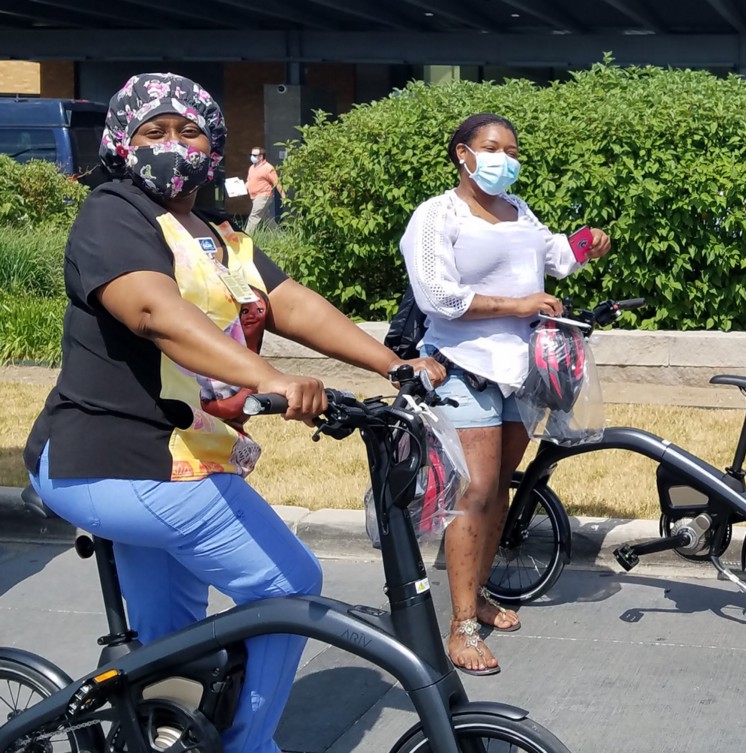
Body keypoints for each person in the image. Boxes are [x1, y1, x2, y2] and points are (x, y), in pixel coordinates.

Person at [22, 72, 445, 753]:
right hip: (116, 457)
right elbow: (155, 311)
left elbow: (288, 302)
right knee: (288, 587)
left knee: (173, 640)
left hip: (178, 459)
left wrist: (390, 363)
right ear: (122, 142)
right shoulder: (114, 213)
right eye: (153, 131)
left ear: (213, 144)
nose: (172, 144)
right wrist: (271, 378)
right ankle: (247, 745)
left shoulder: (215, 229)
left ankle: (159, 733)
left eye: (188, 131)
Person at [399, 113, 612, 676]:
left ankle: (479, 596)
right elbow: (438, 297)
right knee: (475, 490)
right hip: (462, 366)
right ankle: (461, 625)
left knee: (498, 492)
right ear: (462, 154)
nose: (504, 159)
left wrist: (589, 242)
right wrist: (518, 305)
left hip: (523, 371)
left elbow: (556, 259)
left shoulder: (519, 210)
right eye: (493, 148)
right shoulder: (437, 215)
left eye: (512, 151)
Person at [245, 146, 284, 231]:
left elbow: (276, 182)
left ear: (261, 156)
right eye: (251, 155)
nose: (252, 157)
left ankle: (246, 236)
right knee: (266, 217)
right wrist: (239, 189)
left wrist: (283, 196)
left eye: (254, 155)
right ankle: (279, 234)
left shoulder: (268, 168)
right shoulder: (252, 168)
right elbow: (249, 181)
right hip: (254, 196)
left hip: (264, 195)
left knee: (254, 216)